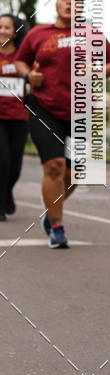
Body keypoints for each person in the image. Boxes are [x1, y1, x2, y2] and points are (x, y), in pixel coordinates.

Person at [15, 0, 110, 248]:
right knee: (55, 166)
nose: (70, 3)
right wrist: (29, 76)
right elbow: (20, 61)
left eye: (76, 0)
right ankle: (57, 227)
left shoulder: (92, 34)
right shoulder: (38, 34)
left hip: (81, 111)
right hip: (43, 108)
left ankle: (53, 210)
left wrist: (96, 69)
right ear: (57, 3)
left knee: (77, 171)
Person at [0, 14, 30, 221]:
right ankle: (0, 204)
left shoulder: (23, 56)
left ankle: (7, 191)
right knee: (3, 160)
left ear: (15, 32)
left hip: (20, 116)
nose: (2, 31)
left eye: (7, 27)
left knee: (16, 165)